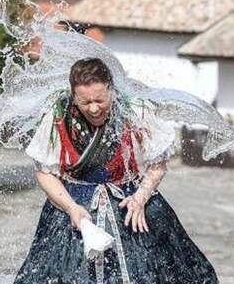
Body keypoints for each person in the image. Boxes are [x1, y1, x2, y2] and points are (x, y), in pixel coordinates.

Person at [14, 58, 218, 284]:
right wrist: (71, 208)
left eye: (100, 100)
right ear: (74, 96)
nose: (93, 108)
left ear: (111, 90)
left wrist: (140, 198)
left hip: (131, 205)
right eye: (85, 102)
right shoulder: (58, 115)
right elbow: (44, 172)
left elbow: (158, 164)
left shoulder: (135, 111)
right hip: (73, 211)